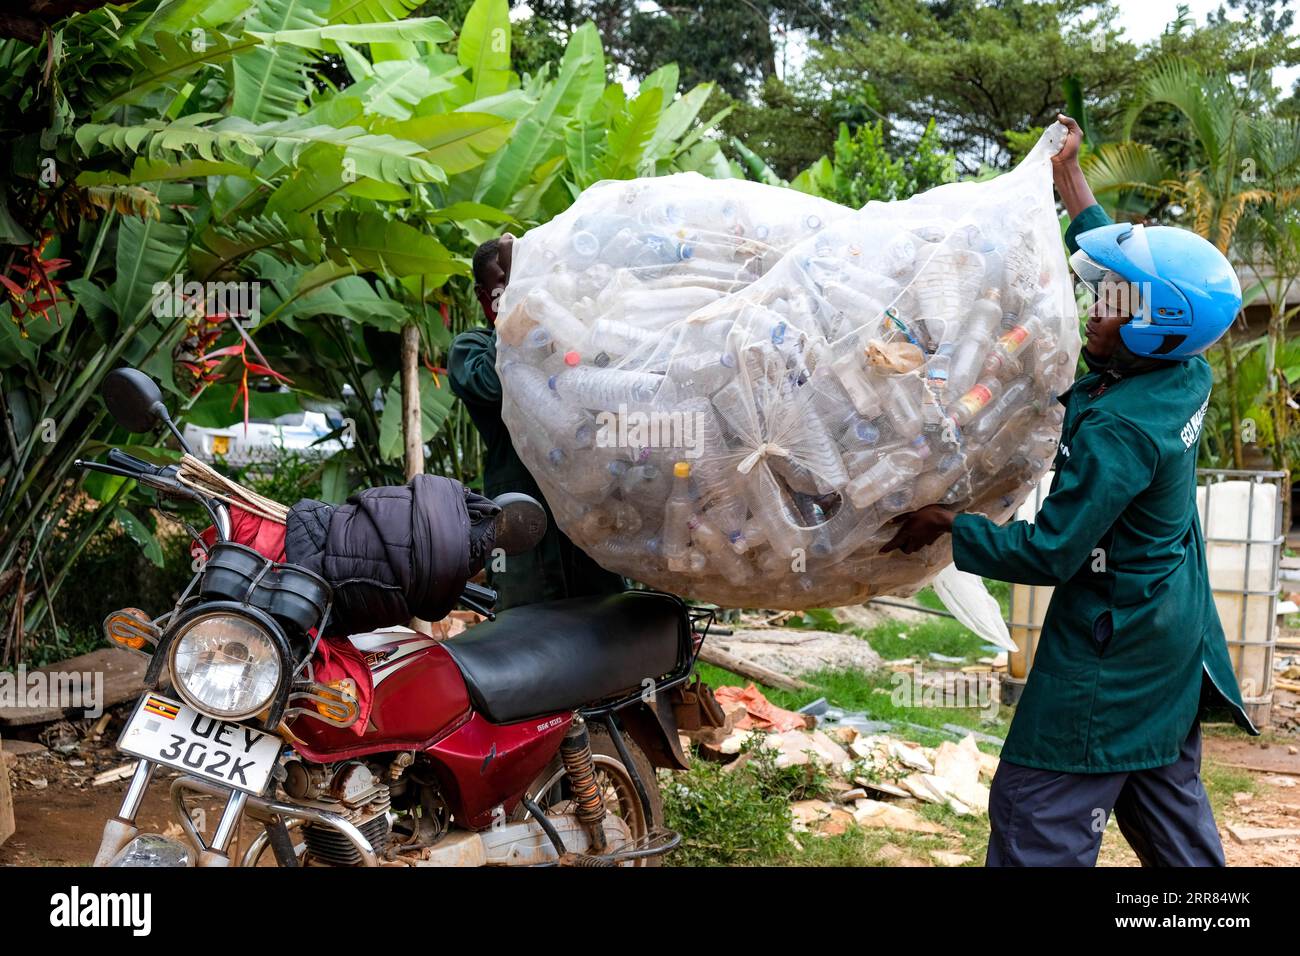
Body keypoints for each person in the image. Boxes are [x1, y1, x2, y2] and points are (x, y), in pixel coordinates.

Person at [881, 115, 1258, 866]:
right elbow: (1145, 273)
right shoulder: (1184, 369)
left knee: (1035, 812)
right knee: (1165, 805)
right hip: (1169, 634)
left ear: (1158, 324)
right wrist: (1070, 180)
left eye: (1117, 302)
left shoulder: (1121, 430)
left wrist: (950, 523)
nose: (1097, 305)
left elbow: (1053, 551)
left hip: (1111, 648)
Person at [448, 233, 625, 610]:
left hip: (583, 504)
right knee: (524, 621)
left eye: (527, 279)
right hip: (520, 511)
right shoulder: (472, 348)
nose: (519, 292)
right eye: (506, 284)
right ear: (483, 296)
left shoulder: (564, 338)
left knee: (605, 615)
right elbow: (493, 384)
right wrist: (520, 319)